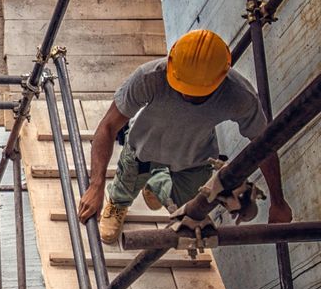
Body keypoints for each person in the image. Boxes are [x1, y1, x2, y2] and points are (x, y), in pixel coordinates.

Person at [77, 29, 292, 243]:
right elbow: (107, 127)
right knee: (126, 185)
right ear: (172, 64)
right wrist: (96, 186)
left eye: (197, 92)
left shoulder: (238, 96)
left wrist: (278, 201)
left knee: (189, 207)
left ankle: (155, 184)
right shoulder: (149, 77)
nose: (187, 94)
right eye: (182, 86)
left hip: (194, 159)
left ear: (221, 78)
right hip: (143, 149)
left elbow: (264, 145)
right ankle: (118, 203)